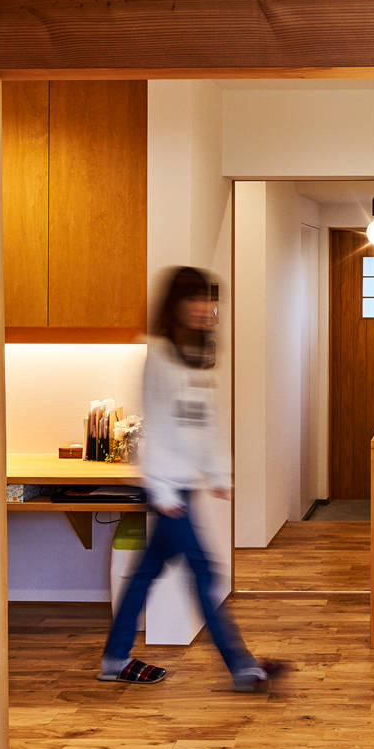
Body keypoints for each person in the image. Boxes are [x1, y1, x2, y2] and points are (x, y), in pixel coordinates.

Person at [99, 266, 286, 692]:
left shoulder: (199, 356)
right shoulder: (159, 356)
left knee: (145, 574)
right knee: (204, 573)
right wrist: (163, 491)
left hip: (183, 487)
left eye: (210, 299)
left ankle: (114, 657)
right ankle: (241, 666)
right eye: (196, 299)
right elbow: (158, 426)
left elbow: (205, 425)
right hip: (168, 489)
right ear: (176, 304)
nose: (205, 308)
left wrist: (218, 472)